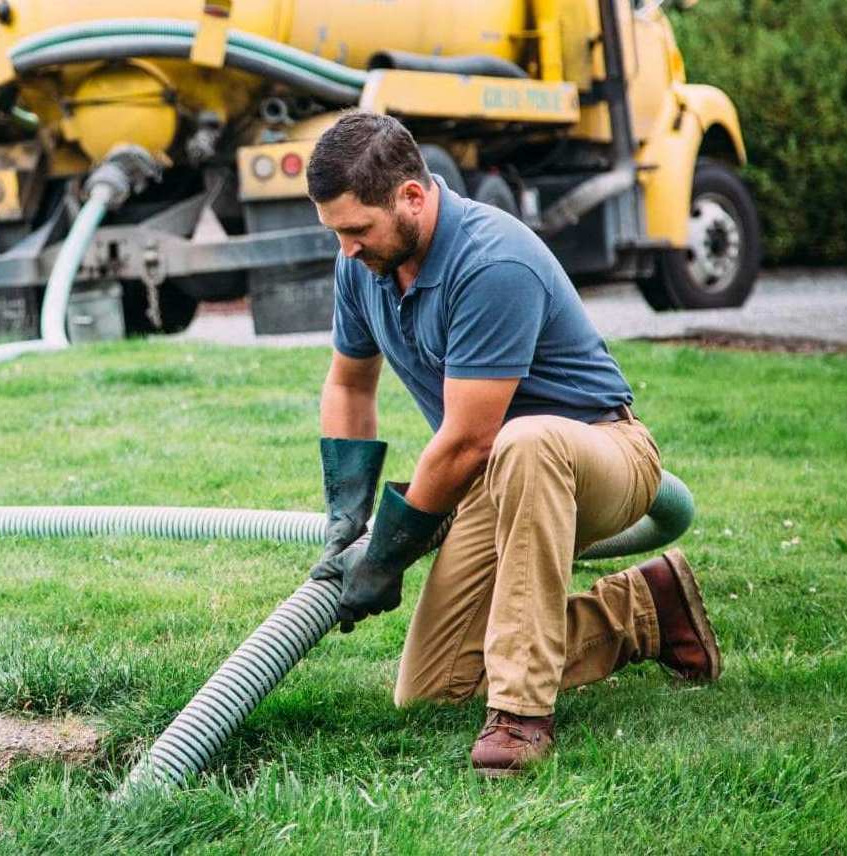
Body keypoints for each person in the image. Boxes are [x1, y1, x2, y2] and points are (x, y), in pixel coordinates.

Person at [303, 111, 721, 777]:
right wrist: (347, 512)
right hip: (495, 478)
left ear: (412, 196)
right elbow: (349, 386)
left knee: (524, 441)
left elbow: (470, 438)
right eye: (337, 232)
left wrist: (388, 555)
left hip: (598, 453)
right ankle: (645, 610)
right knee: (433, 689)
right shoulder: (362, 263)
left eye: (357, 229)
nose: (347, 248)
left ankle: (522, 715)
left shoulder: (492, 260)